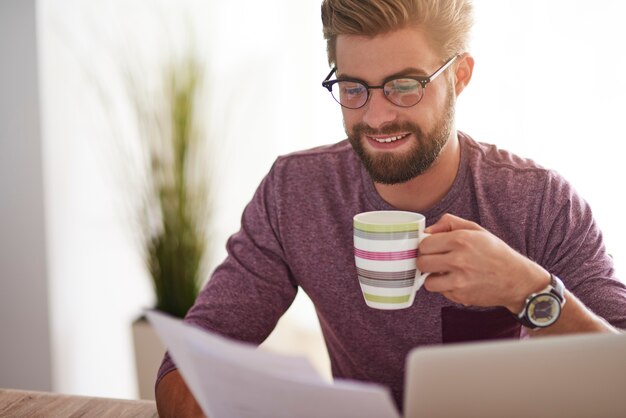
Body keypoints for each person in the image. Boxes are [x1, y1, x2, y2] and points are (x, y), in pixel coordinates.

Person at [155, 0, 626, 416]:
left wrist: (529, 289)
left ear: (459, 76)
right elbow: (185, 366)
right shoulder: (295, 193)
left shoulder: (538, 202)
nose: (377, 117)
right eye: (354, 88)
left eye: (404, 86)